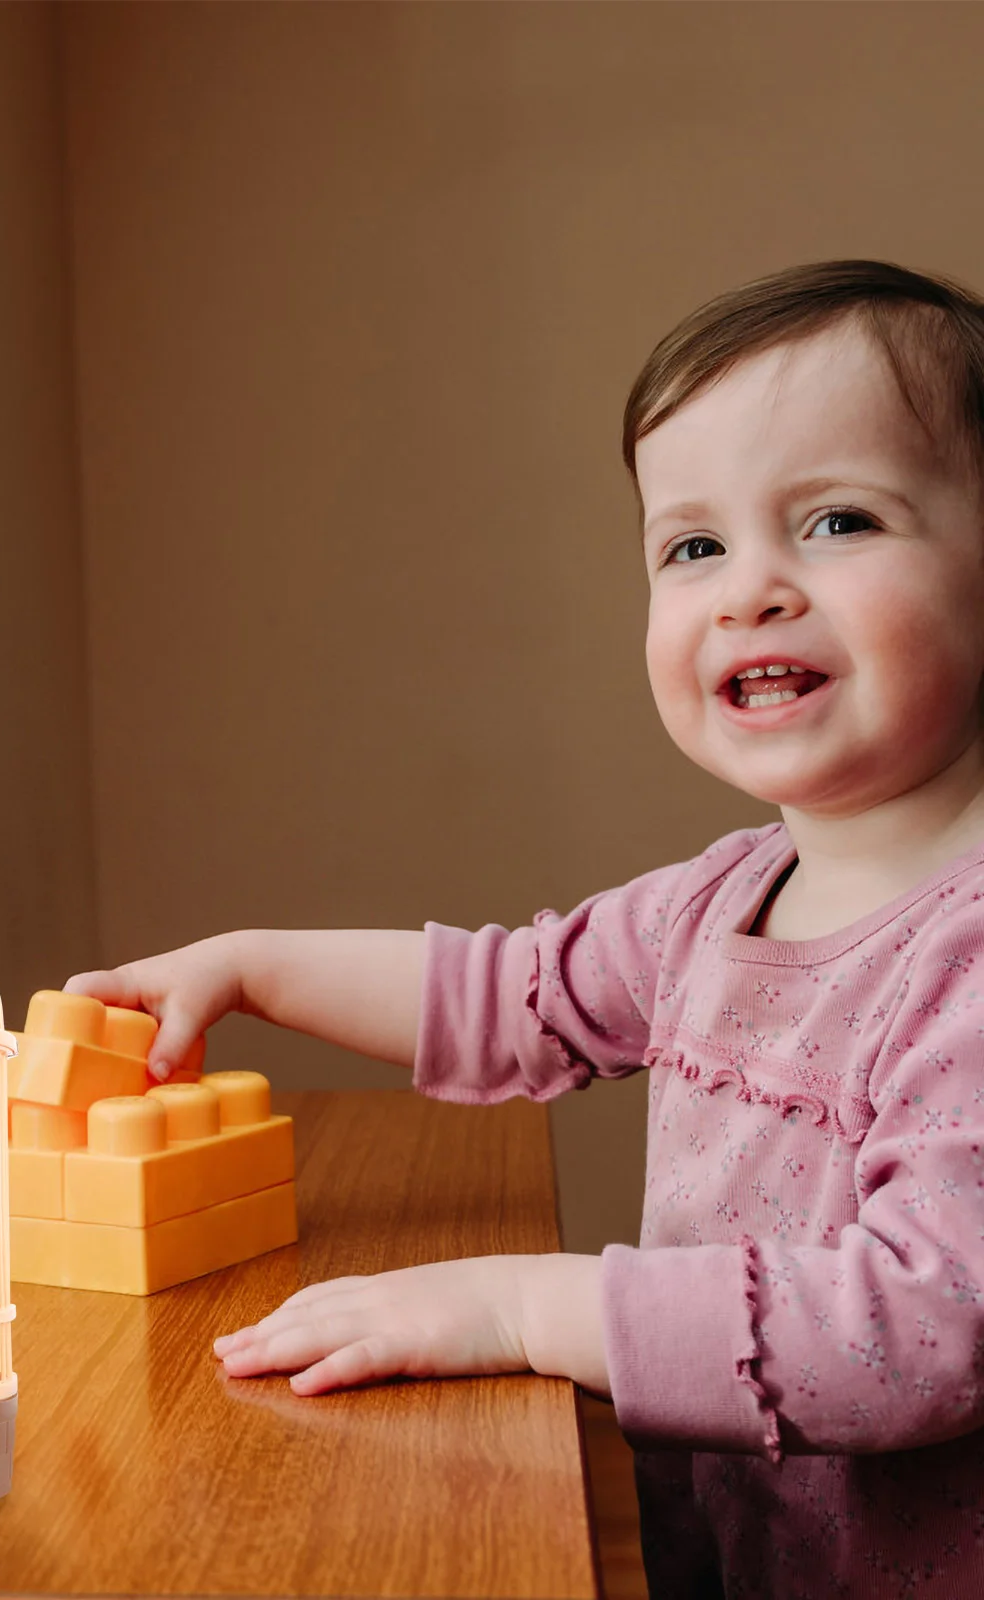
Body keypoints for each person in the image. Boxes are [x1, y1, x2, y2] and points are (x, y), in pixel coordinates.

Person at [66, 260, 984, 1597]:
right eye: (693, 547)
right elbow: (506, 994)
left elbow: (926, 1322)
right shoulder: (713, 903)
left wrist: (516, 1307)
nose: (750, 592)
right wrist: (253, 966)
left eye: (838, 522)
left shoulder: (964, 953)